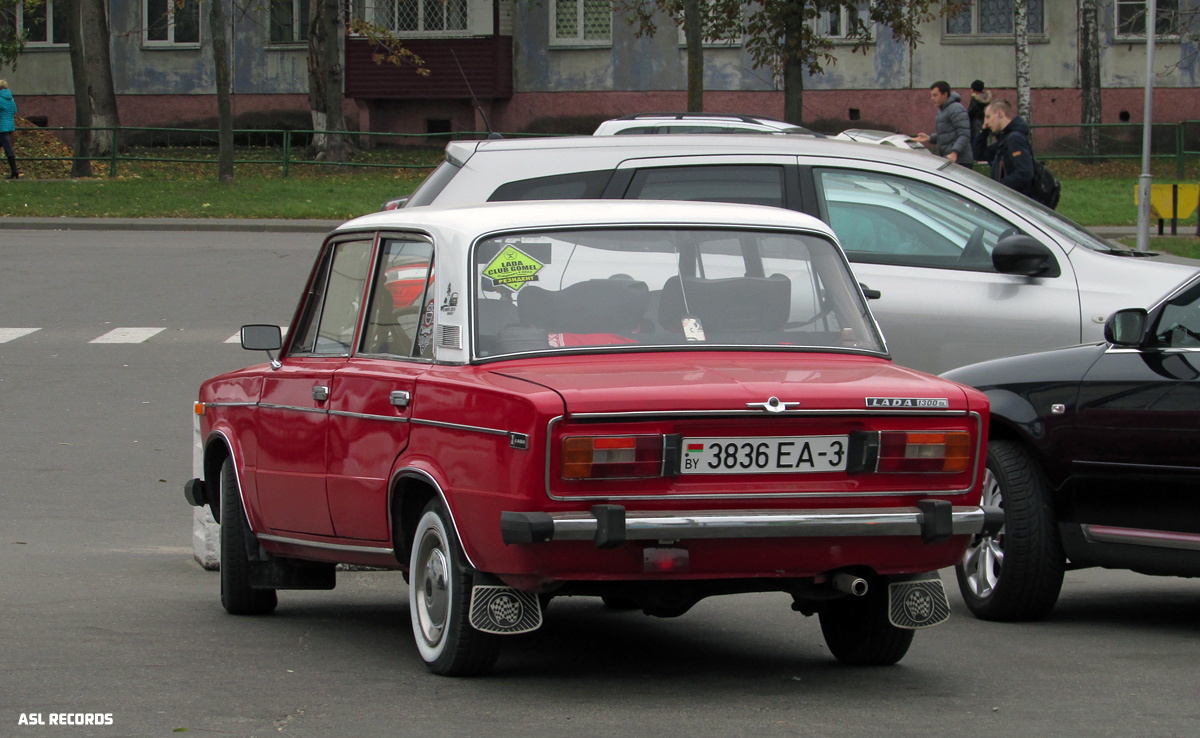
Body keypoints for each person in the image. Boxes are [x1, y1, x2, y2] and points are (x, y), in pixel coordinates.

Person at [972, 98, 1036, 198]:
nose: (986, 122)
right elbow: (979, 154)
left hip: (1015, 200)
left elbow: (1025, 173)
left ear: (1000, 114)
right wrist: (983, 131)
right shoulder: (1005, 139)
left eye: (988, 117)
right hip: (1007, 198)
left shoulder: (1014, 139)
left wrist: (999, 186)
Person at [915, 80, 973, 167]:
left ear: (945, 95)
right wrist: (930, 138)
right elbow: (947, 135)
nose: (932, 98)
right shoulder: (943, 110)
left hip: (960, 160)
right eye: (932, 95)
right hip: (950, 159)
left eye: (935, 95)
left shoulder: (956, 109)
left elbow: (964, 134)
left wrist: (955, 152)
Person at [0, 79, 17, 180]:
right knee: (7, 149)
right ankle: (14, 172)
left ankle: (14, 172)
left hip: (2, 128)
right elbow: (14, 111)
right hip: (10, 127)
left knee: (8, 150)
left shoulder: (0, 98)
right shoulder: (11, 98)